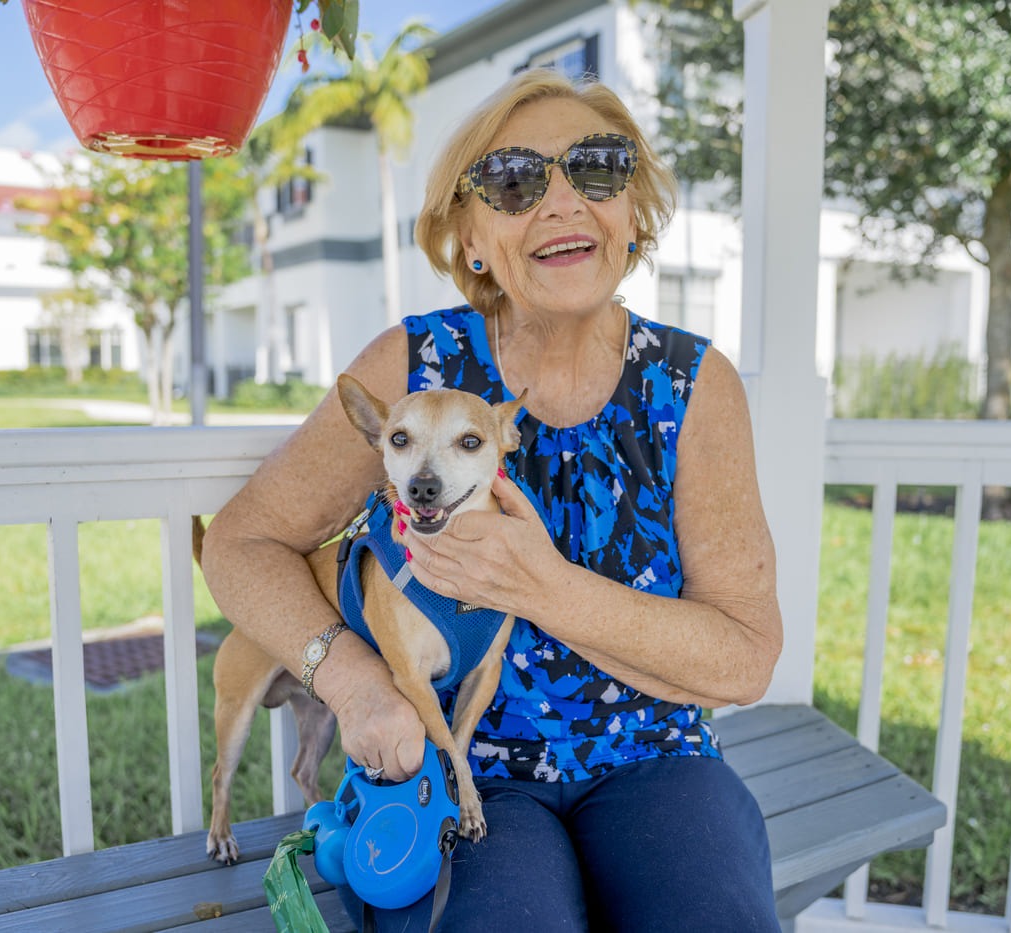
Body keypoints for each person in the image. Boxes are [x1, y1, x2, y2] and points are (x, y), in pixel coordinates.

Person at [200, 69, 784, 932]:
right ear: (470, 234)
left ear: (633, 212)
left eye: (596, 169)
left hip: (655, 759)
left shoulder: (694, 385)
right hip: (454, 757)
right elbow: (239, 545)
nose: (560, 203)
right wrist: (357, 685)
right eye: (514, 181)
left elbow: (743, 658)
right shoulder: (411, 369)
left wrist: (541, 585)